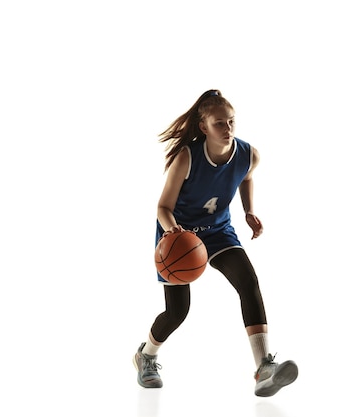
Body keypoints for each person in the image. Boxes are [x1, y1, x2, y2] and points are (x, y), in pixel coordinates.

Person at [133, 89, 298, 397]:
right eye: (219, 123)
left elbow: (246, 176)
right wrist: (173, 232)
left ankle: (264, 368)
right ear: (204, 127)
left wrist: (249, 211)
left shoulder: (249, 154)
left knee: (248, 282)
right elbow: (162, 208)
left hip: (218, 231)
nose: (228, 128)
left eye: (232, 121)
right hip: (179, 235)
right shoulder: (187, 157)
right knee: (178, 312)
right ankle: (147, 355)